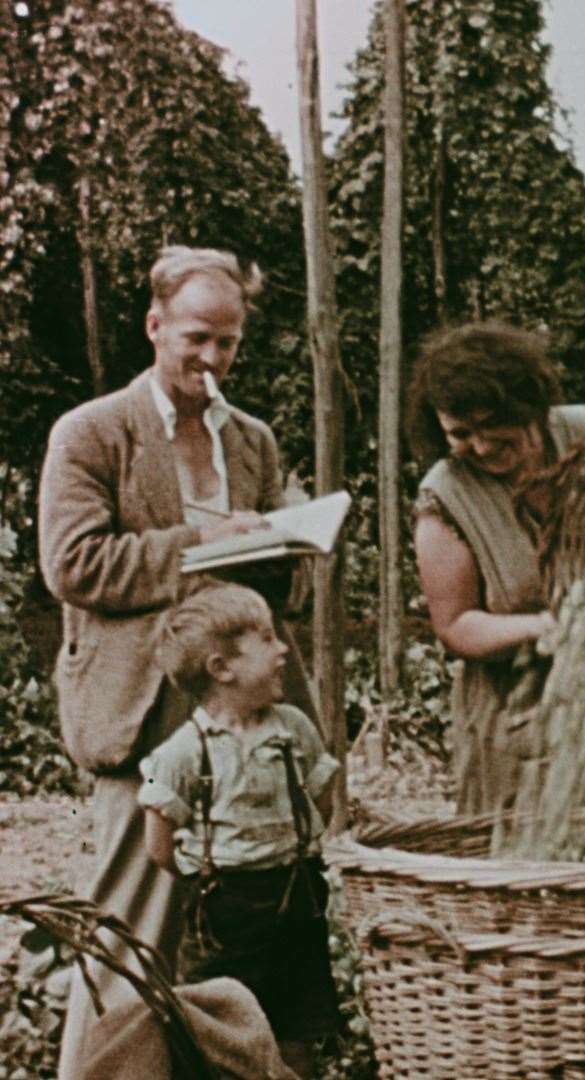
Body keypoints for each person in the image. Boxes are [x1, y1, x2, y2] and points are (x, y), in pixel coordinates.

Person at [38, 246, 314, 1078]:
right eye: (196, 338)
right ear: (154, 326)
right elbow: (76, 564)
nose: (212, 360)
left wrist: (291, 539)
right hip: (142, 717)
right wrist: (202, 542)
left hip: (240, 724)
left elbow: (270, 590)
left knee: (237, 937)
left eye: (227, 343)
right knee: (127, 931)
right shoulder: (91, 433)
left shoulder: (252, 440)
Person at [408, 321, 585, 815]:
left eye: (494, 427)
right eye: (460, 434)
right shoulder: (445, 497)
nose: (481, 447)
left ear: (527, 407)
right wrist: (544, 627)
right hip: (522, 716)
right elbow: (456, 625)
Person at [140, 584, 340, 1078]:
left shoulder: (293, 730)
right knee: (221, 1036)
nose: (283, 651)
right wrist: (208, 871)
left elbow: (323, 799)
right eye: (268, 640)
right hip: (226, 917)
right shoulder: (182, 753)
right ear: (221, 669)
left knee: (297, 1029)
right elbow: (159, 845)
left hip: (297, 902)